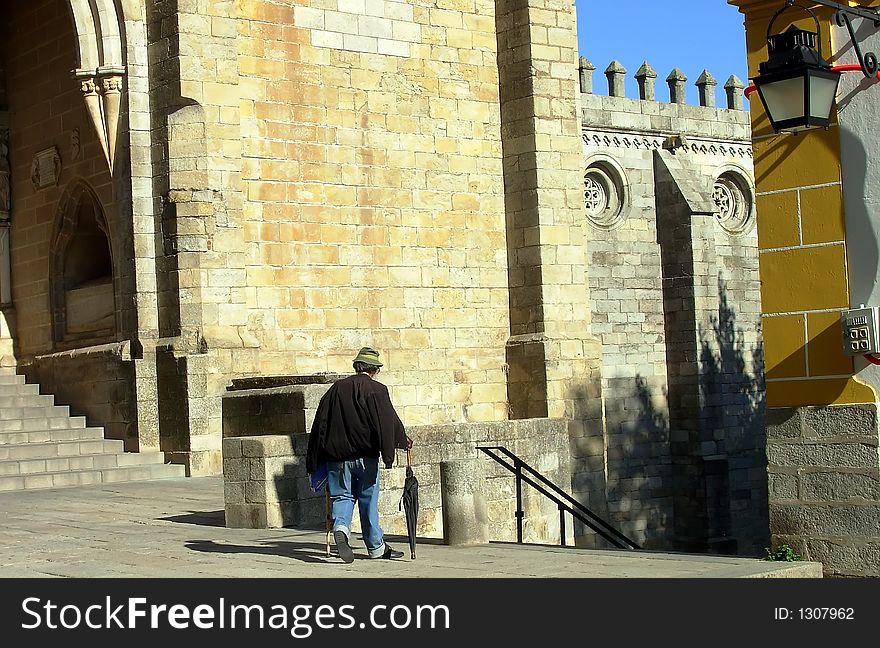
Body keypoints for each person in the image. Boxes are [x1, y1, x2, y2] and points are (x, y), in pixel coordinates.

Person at [306, 347, 413, 563]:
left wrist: (314, 457)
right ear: (375, 370)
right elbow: (388, 420)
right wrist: (402, 441)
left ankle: (341, 528)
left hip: (337, 457)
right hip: (366, 456)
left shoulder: (335, 390)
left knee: (342, 496)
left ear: (357, 367)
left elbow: (321, 423)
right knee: (368, 499)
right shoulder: (377, 390)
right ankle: (375, 547)